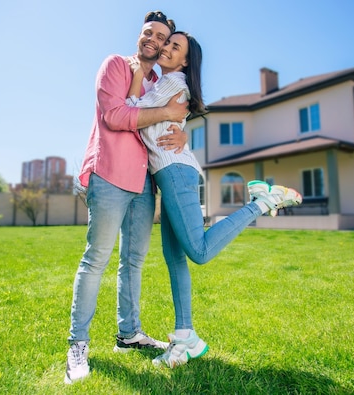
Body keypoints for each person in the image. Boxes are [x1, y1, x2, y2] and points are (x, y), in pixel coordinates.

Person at [125, 31, 303, 368]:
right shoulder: (166, 85)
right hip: (171, 174)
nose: (166, 49)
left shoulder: (173, 83)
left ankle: (262, 202)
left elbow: (132, 112)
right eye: (167, 44)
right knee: (174, 258)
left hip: (176, 173)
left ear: (185, 61)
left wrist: (136, 72)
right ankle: (185, 339)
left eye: (174, 47)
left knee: (199, 252)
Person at [64, 10, 190, 384]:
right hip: (110, 175)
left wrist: (182, 132)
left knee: (133, 262)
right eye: (149, 32)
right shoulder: (116, 65)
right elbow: (115, 116)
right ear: (140, 35)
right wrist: (164, 110)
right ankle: (77, 346)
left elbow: (174, 117)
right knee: (96, 259)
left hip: (143, 183)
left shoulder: (155, 82)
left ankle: (128, 334)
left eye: (163, 37)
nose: (155, 40)